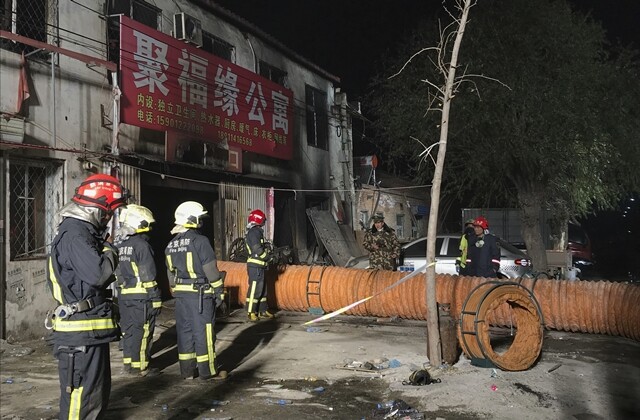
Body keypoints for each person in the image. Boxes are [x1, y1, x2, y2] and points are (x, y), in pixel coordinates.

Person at [45, 173, 128, 419]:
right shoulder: (75, 234)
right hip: (79, 336)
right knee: (80, 402)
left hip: (89, 334)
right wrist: (110, 248)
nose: (108, 218)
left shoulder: (84, 234)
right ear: (95, 209)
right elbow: (98, 274)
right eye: (107, 213)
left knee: (93, 398)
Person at [165, 201, 227, 380]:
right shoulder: (200, 240)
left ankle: (187, 372)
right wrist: (218, 292)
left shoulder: (170, 245)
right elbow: (211, 270)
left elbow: (170, 274)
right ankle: (208, 371)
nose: (201, 221)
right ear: (192, 219)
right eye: (199, 218)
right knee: (204, 332)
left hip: (181, 297)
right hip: (200, 295)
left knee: (184, 332)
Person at [114, 204, 162, 377]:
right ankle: (141, 367)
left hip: (125, 295)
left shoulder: (120, 246)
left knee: (129, 330)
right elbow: (147, 274)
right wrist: (156, 298)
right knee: (142, 331)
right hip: (141, 296)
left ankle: (129, 363)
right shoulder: (141, 245)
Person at [245, 209, 275, 321]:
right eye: (263, 220)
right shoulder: (254, 232)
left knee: (263, 289)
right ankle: (251, 312)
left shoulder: (256, 232)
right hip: (255, 266)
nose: (263, 222)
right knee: (255, 289)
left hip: (260, 266)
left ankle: (262, 310)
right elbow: (257, 249)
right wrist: (268, 257)